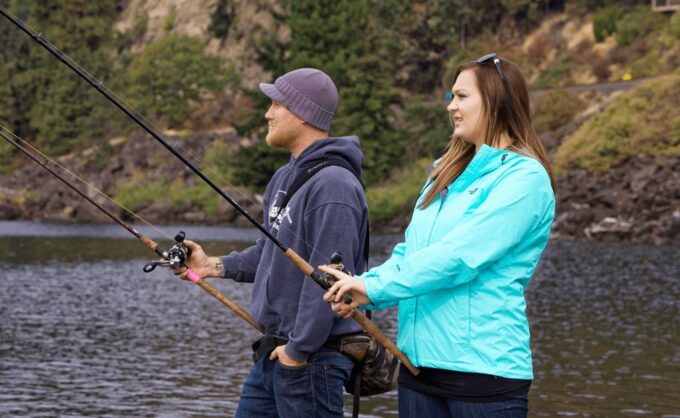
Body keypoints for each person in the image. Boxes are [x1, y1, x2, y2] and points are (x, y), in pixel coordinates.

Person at [321, 53, 556, 418]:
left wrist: (375, 290)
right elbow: (411, 253)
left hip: (483, 376)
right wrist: (361, 287)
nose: (451, 106)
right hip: (418, 367)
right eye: (452, 96)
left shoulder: (525, 179)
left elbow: (459, 257)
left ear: (495, 100)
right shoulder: (443, 174)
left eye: (462, 96)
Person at [175, 68, 368, 417]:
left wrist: (298, 351)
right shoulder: (284, 176)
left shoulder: (335, 186)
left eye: (276, 104)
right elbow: (271, 253)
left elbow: (329, 279)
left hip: (311, 361)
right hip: (273, 354)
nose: (268, 113)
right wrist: (211, 266)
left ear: (302, 112)